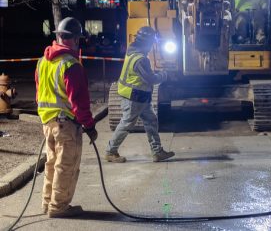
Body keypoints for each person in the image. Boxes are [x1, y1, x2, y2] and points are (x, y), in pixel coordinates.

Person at [35, 17, 98, 218]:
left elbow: (39, 94)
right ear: (76, 39)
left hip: (48, 123)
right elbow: (79, 102)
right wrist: (89, 126)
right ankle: (59, 207)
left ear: (59, 36)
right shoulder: (71, 65)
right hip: (66, 125)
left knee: (52, 164)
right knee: (66, 166)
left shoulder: (42, 61)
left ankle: (48, 203)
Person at [105, 26, 175, 163]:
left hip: (141, 97)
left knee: (151, 121)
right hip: (134, 97)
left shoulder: (132, 51)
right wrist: (165, 75)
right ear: (147, 42)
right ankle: (110, 151)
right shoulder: (141, 59)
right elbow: (151, 79)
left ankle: (157, 152)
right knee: (126, 124)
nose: (151, 46)